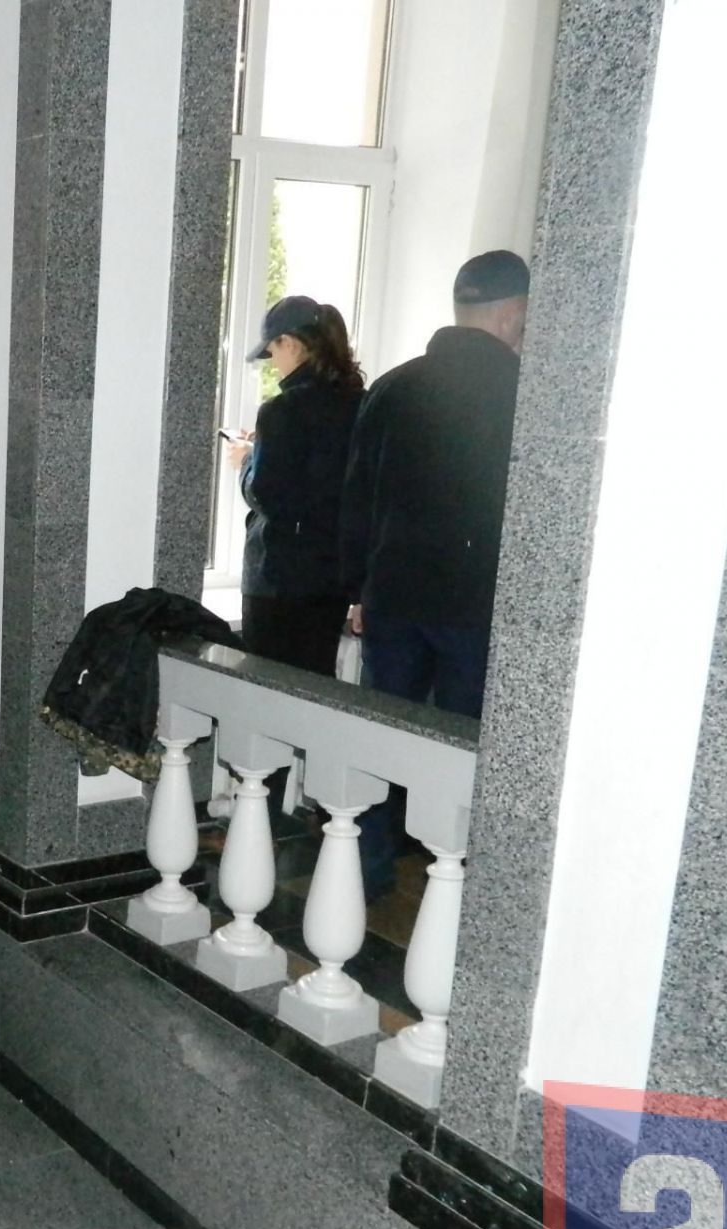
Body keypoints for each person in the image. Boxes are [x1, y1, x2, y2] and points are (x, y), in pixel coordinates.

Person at [340, 249, 529, 897]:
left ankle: (363, 871)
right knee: (465, 746)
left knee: (382, 735)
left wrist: (359, 590)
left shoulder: (395, 386)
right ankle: (452, 882)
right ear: (513, 314)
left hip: (393, 596)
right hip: (479, 605)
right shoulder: (526, 393)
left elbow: (357, 499)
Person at [238, 295, 366, 675]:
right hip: (331, 579)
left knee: (266, 686)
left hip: (278, 579)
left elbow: (268, 493)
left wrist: (246, 461)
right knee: (313, 685)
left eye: (273, 351)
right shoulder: (363, 406)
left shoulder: (281, 410)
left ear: (291, 344)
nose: (274, 363)